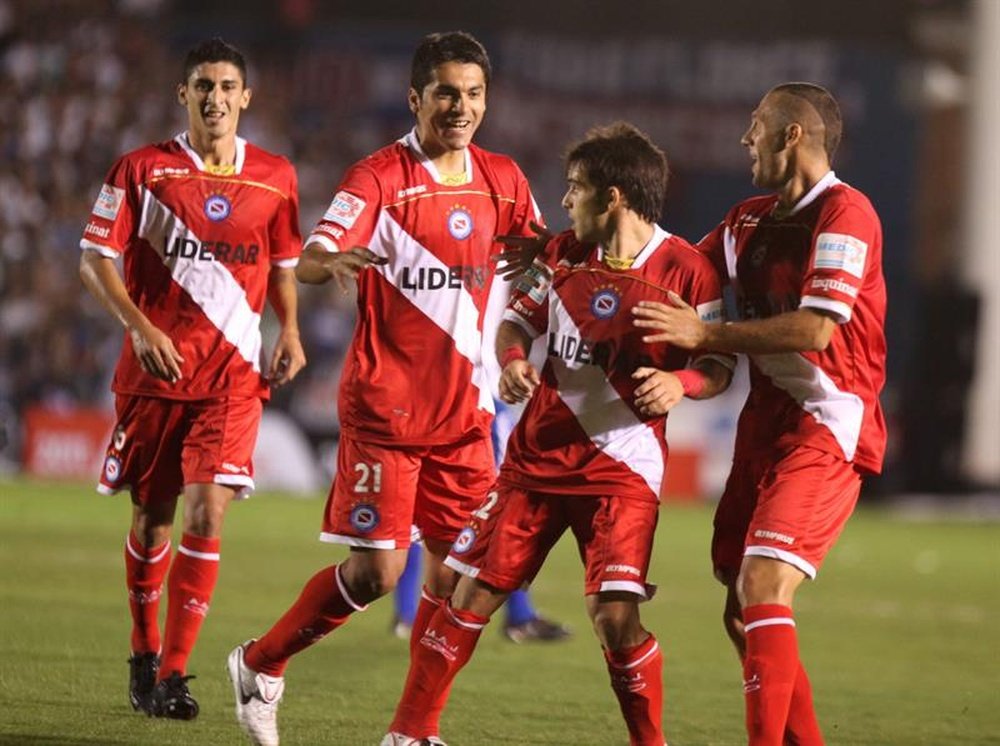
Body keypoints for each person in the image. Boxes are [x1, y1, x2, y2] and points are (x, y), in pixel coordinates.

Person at [225, 31, 544, 746]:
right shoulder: (379, 177)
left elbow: (535, 265)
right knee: (375, 574)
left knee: (461, 577)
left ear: (485, 100)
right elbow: (311, 255)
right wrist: (329, 262)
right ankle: (258, 662)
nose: (459, 107)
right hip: (386, 413)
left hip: (466, 415)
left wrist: (546, 301)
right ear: (415, 99)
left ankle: (412, 732)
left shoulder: (504, 180)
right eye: (445, 94)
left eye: (471, 94)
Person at [383, 121, 735, 746]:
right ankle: (409, 736)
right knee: (470, 596)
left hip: (621, 471)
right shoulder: (560, 254)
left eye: (576, 188)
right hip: (536, 461)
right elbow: (515, 324)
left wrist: (683, 385)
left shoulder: (689, 271)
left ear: (614, 196)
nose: (566, 201)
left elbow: (717, 366)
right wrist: (515, 360)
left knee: (614, 617)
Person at [632, 83, 886, 745]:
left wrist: (706, 337)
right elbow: (672, 269)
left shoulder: (845, 215)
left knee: (764, 581)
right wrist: (568, 254)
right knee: (744, 612)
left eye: (756, 127)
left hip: (826, 422)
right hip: (764, 423)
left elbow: (815, 331)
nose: (745, 140)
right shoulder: (744, 222)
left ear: (791, 134)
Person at [78, 38, 305, 720]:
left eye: (227, 85)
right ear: (184, 95)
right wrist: (140, 329)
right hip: (153, 376)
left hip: (233, 380)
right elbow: (94, 259)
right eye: (202, 85)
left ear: (246, 96)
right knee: (153, 522)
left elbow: (284, 263)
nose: (215, 96)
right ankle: (144, 653)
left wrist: (289, 329)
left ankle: (176, 674)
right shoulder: (143, 170)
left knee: (209, 512)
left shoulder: (275, 176)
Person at [391, 398, 571, 644]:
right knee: (497, 524)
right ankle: (518, 618)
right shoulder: (495, 408)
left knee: (417, 519)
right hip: (468, 409)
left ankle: (407, 615)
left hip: (436, 407)